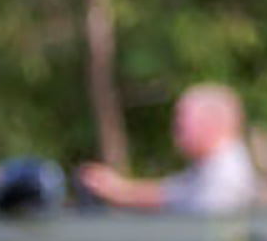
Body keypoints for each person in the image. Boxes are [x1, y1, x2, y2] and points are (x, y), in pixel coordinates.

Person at [77, 84, 257, 214]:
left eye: (183, 124)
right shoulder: (211, 165)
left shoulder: (226, 174)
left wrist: (119, 190)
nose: (176, 131)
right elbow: (169, 193)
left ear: (212, 123)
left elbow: (196, 218)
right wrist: (119, 189)